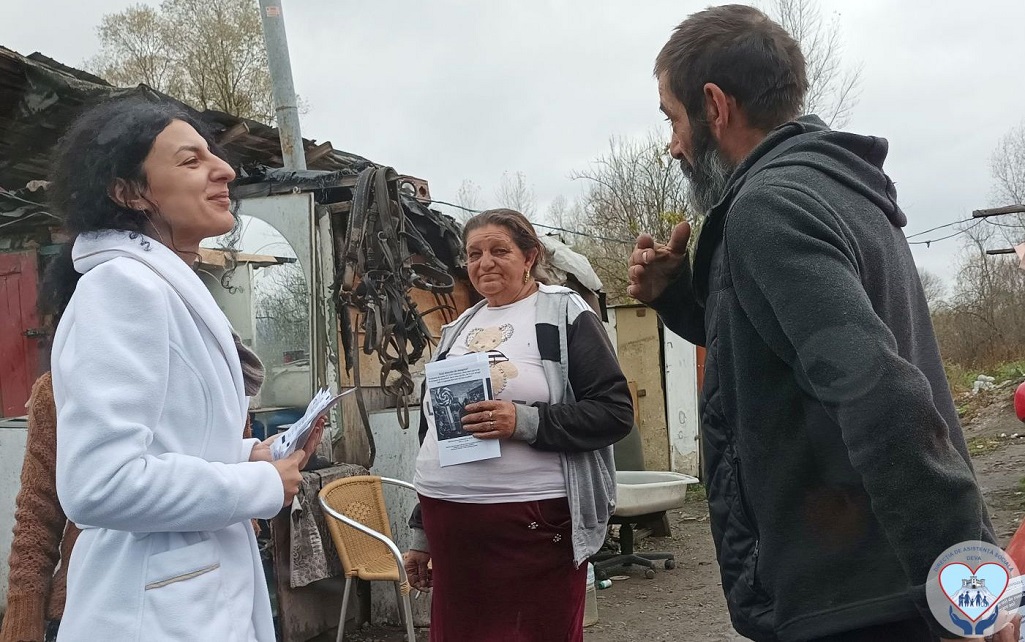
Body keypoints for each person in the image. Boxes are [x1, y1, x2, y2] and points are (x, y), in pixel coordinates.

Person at [627, 6, 1013, 642]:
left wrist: (963, 582)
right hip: (872, 589)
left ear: (715, 106)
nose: (673, 145)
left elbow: (880, 395)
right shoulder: (835, 190)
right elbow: (780, 355)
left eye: (673, 118)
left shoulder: (768, 208)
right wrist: (677, 297)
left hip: (858, 601)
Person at [44, 96, 322, 641]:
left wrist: (246, 455)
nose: (226, 170)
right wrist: (258, 484)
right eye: (191, 161)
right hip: (153, 616)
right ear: (129, 192)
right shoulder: (123, 287)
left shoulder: (165, 285)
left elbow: (165, 443)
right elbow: (100, 484)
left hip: (190, 600)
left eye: (212, 155)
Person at [403, 209, 633, 641]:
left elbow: (614, 411)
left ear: (530, 256)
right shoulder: (459, 328)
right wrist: (422, 534)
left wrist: (523, 421)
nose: (484, 262)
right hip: (450, 522)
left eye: (499, 250)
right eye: (474, 254)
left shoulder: (562, 312)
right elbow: (433, 433)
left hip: (531, 523)